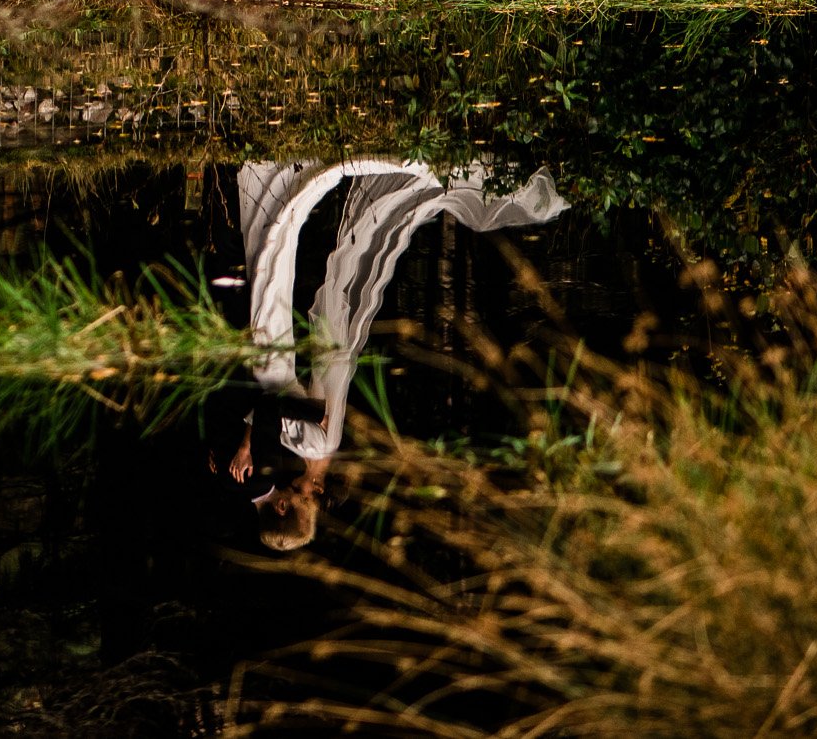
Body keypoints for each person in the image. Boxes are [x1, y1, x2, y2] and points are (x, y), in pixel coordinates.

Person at [215, 156, 570, 554]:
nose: (293, 486)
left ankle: (284, 191)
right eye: (300, 492)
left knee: (272, 269)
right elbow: (287, 401)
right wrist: (274, 426)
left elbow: (310, 392)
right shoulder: (313, 448)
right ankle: (285, 185)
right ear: (310, 491)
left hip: (279, 363)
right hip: (272, 361)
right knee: (270, 267)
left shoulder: (316, 448)